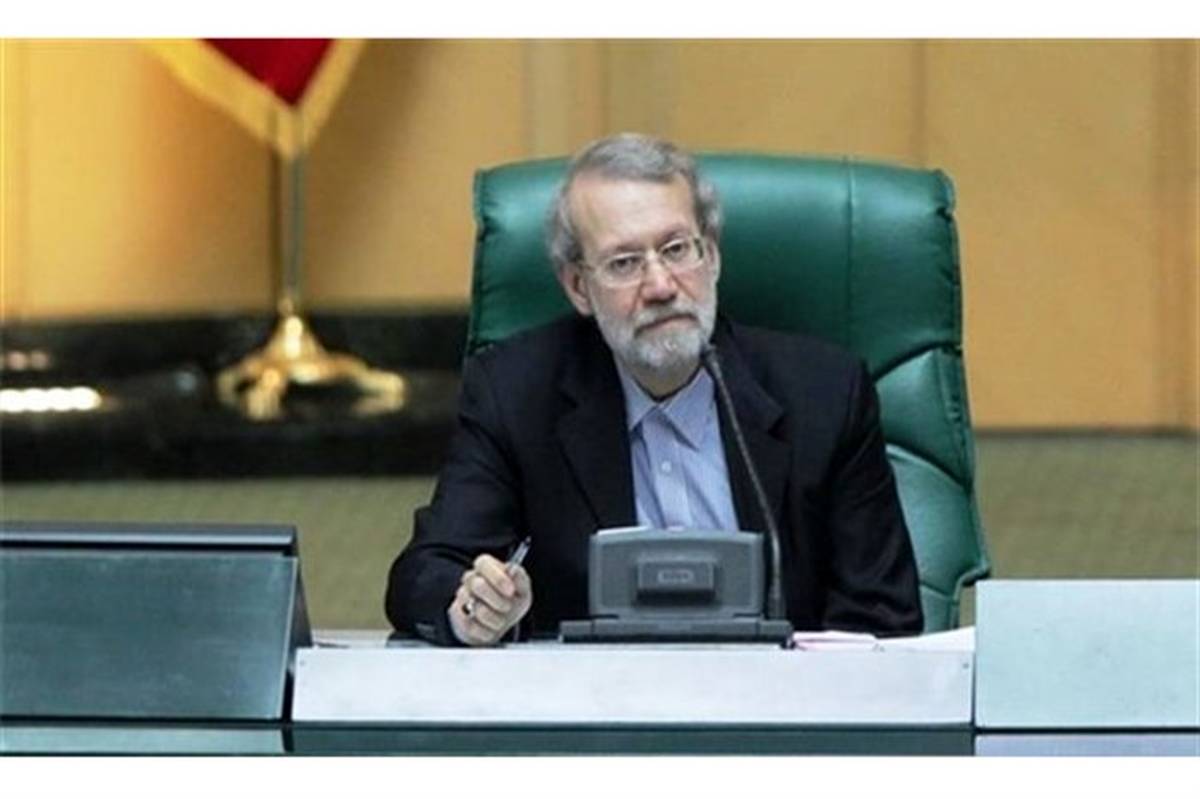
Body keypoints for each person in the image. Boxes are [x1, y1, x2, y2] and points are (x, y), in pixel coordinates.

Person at [386, 133, 923, 646]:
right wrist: (473, 609)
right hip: (593, 701)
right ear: (579, 287)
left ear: (712, 256)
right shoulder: (514, 392)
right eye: (624, 263)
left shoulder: (825, 395)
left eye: (676, 249)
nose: (662, 286)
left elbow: (881, 620)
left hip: (778, 699)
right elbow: (426, 574)